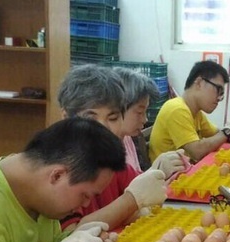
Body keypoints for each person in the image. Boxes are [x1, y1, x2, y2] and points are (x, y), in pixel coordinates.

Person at [56, 64, 179, 231]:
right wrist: (131, 200)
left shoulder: (112, 161)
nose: (102, 129)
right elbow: (71, 235)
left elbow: (142, 190)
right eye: (90, 118)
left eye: (112, 118)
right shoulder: (58, 167)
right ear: (65, 117)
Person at [148, 60, 230, 163]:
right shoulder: (177, 109)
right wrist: (228, 131)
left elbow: (217, 135)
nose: (220, 98)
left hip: (184, 170)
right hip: (169, 176)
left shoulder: (196, 113)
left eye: (222, 94)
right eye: (218, 90)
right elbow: (197, 151)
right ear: (199, 83)